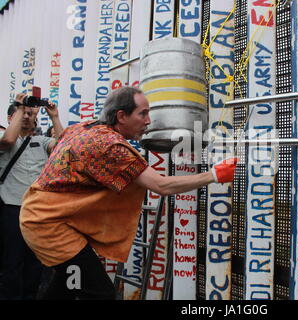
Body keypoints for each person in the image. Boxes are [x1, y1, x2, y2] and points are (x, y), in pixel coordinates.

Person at [19, 86, 238, 300]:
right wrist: (215, 175)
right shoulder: (110, 146)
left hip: (40, 214)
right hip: (49, 226)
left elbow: (63, 141)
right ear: (121, 116)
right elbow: (161, 185)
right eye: (143, 113)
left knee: (69, 284)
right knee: (100, 292)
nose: (149, 121)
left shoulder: (84, 127)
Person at [0, 93, 63, 300]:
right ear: (11, 118)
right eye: (22, 113)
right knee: (12, 264)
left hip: (37, 211)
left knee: (35, 264)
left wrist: (54, 117)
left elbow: (64, 149)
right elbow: (9, 139)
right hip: (11, 210)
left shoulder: (42, 141)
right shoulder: (5, 139)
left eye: (30, 114)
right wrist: (20, 106)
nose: (27, 117)